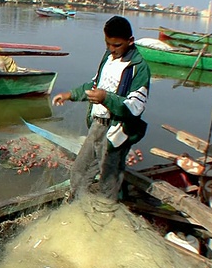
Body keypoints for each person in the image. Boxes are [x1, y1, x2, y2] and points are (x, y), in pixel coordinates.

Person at [52, 16, 150, 202]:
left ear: (130, 41)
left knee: (109, 176)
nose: (112, 49)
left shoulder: (138, 68)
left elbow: (135, 107)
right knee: (80, 169)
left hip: (116, 130)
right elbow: (94, 84)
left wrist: (106, 98)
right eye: (108, 44)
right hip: (97, 125)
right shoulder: (108, 58)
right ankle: (76, 203)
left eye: (117, 45)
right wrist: (70, 95)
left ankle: (108, 208)